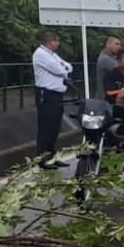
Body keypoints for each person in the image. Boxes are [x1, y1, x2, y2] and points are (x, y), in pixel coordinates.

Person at [31, 30, 73, 168]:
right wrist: (63, 68)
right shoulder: (41, 54)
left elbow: (68, 67)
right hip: (47, 93)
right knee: (46, 127)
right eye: (56, 41)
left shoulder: (52, 55)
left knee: (55, 127)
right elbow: (60, 70)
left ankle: (52, 156)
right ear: (49, 42)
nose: (58, 44)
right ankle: (42, 159)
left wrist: (64, 67)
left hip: (57, 93)